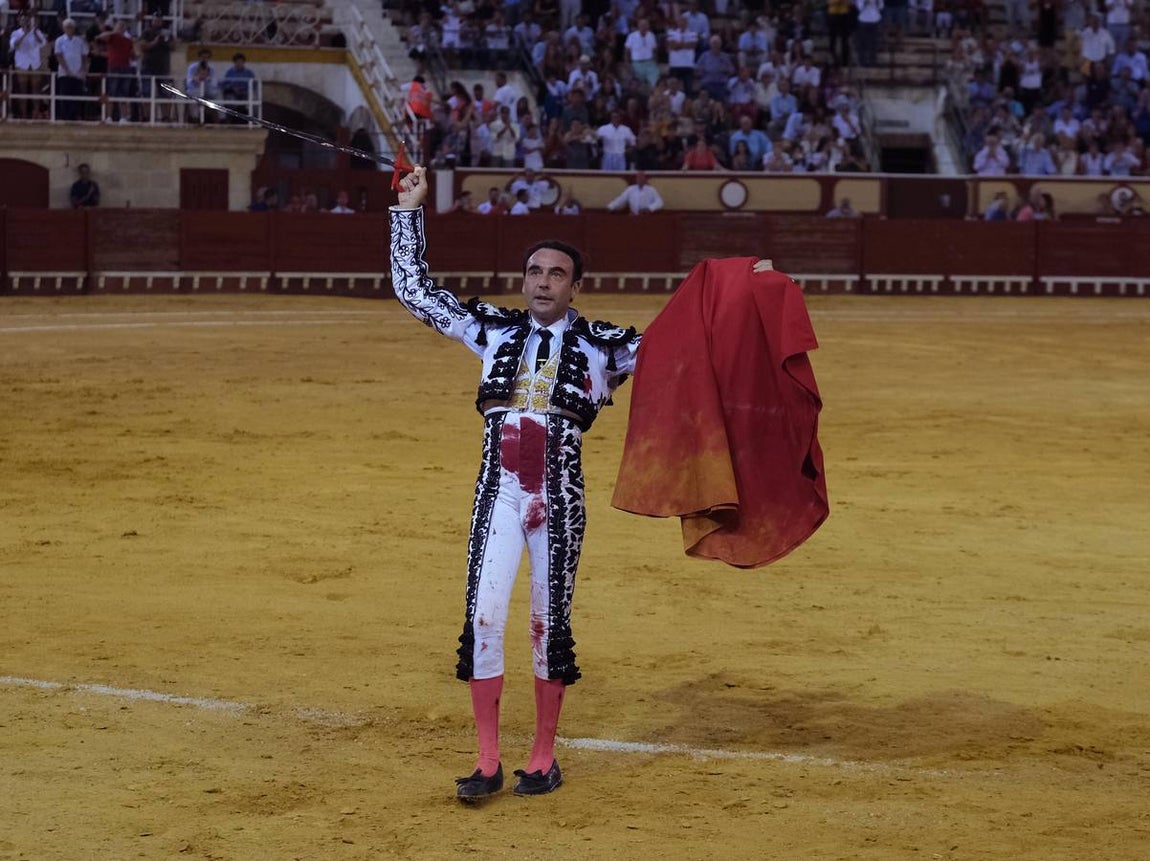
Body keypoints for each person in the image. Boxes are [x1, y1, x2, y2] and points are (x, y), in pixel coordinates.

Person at [389, 165, 643, 800]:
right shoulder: (493, 330)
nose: (543, 282)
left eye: (556, 274)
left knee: (547, 624)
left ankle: (543, 757)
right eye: (535, 272)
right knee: (483, 617)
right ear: (523, 280)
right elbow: (415, 291)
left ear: (576, 286)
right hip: (498, 494)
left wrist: (743, 287)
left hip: (560, 498)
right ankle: (486, 760)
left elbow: (690, 343)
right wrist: (409, 211)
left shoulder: (608, 347)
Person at [9, 13, 47, 120]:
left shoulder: (37, 31)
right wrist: (24, 34)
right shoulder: (15, 33)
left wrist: (34, 32)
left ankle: (36, 113)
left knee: (36, 89)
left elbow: (43, 43)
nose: (25, 22)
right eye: (23, 20)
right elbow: (14, 45)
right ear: (19, 21)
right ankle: (23, 114)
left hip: (35, 64)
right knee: (23, 90)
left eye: (27, 20)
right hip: (22, 64)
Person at [54, 18, 88, 122]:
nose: (69, 29)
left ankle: (75, 116)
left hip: (78, 73)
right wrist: (66, 70)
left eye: (71, 27)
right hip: (64, 73)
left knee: (77, 95)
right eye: (67, 27)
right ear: (64, 28)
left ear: (74, 28)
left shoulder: (80, 41)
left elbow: (84, 56)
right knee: (65, 95)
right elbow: (59, 55)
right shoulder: (59, 40)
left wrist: (83, 69)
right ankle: (65, 117)